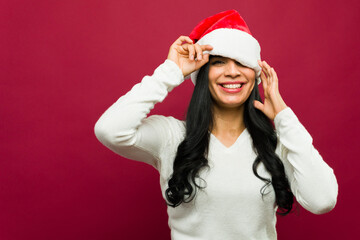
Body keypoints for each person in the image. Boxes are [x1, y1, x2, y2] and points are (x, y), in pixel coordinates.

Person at [94, 9, 338, 240]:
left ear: (256, 75)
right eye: (219, 62)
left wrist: (284, 117)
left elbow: (323, 200)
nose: (232, 72)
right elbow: (109, 130)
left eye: (242, 62)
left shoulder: (278, 143)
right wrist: (170, 71)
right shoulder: (172, 137)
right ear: (202, 73)